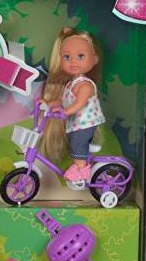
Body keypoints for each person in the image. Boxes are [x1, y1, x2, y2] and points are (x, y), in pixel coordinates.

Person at [39, 27, 105, 182]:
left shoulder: (85, 85)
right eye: (67, 57)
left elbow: (79, 103)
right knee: (74, 142)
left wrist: (65, 112)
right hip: (78, 124)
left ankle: (82, 170)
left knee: (77, 143)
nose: (73, 61)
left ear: (94, 59)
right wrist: (48, 103)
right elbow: (63, 101)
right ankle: (81, 165)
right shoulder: (72, 84)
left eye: (80, 56)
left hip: (86, 123)